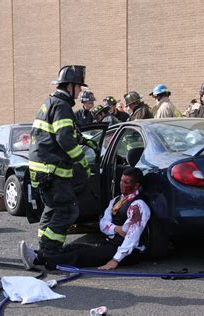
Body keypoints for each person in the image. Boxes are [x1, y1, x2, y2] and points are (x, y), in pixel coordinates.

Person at [19, 167, 150, 271]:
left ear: (136, 186)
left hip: (128, 253)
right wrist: (116, 228)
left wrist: (115, 260)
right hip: (111, 243)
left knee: (81, 255)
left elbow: (131, 237)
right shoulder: (117, 200)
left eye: (126, 182)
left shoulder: (138, 206)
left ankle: (36, 259)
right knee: (73, 247)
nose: (122, 184)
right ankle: (37, 254)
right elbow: (103, 223)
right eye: (121, 180)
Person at [28, 65, 91, 257]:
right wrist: (82, 160)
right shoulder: (62, 106)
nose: (80, 91)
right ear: (70, 86)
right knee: (67, 210)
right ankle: (50, 251)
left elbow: (62, 133)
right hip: (52, 169)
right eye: (79, 87)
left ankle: (43, 246)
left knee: (52, 208)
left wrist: (83, 139)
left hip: (41, 168)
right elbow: (64, 138)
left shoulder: (51, 103)